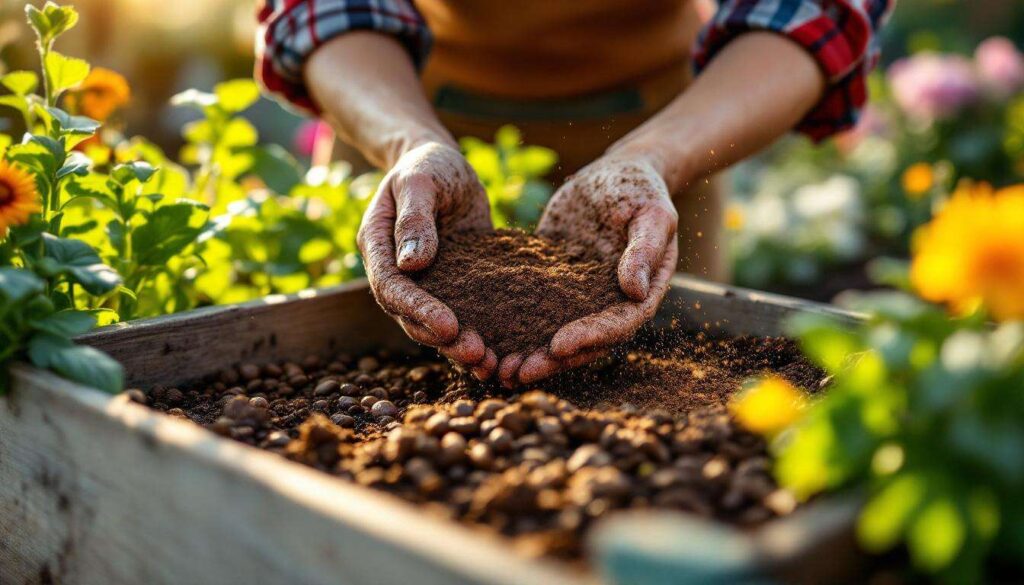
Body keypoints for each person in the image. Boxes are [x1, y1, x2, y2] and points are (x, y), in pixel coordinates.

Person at [256, 0, 891, 386]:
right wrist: (409, 145)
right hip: (397, 112)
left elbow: (817, 12)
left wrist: (655, 159)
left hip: (663, 141)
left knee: (665, 378)